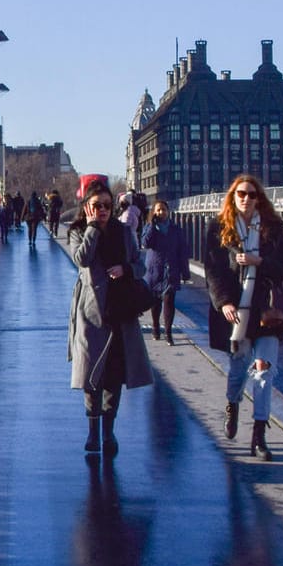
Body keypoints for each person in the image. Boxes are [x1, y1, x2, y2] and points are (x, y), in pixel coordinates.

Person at [204, 173, 283, 460]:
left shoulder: (274, 229)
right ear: (232, 197)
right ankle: (232, 404)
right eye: (240, 194)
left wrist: (259, 262)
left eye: (252, 194)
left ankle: (259, 436)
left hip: (266, 311)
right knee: (238, 371)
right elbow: (214, 271)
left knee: (265, 373)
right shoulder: (219, 229)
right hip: (237, 314)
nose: (246, 199)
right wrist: (223, 302)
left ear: (259, 198)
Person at [65, 178, 152, 455]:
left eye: (106, 205)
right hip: (91, 312)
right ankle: (92, 432)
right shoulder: (78, 230)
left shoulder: (124, 232)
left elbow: (140, 264)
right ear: (87, 207)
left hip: (120, 310)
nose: (102, 210)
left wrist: (126, 268)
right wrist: (92, 229)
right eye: (96, 206)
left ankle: (108, 432)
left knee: (114, 376)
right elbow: (81, 259)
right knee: (92, 376)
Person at [141, 199, 189, 344]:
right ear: (154, 212)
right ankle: (156, 327)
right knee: (155, 303)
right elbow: (145, 243)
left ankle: (168, 332)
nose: (161, 212)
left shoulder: (175, 229)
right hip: (154, 270)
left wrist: (185, 271)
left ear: (168, 212)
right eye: (158, 210)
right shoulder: (150, 227)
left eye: (164, 209)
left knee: (169, 301)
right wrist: (152, 225)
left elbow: (182, 251)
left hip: (171, 270)